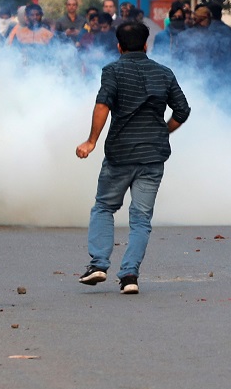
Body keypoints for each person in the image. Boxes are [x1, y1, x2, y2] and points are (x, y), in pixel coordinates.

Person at [75, 21, 191, 294]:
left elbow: (103, 104)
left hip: (120, 154)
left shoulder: (113, 71)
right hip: (153, 156)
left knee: (104, 207)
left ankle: (99, 264)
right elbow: (182, 110)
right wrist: (163, 132)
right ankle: (129, 276)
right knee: (141, 219)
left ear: (119, 46)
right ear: (146, 45)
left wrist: (91, 140)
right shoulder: (163, 73)